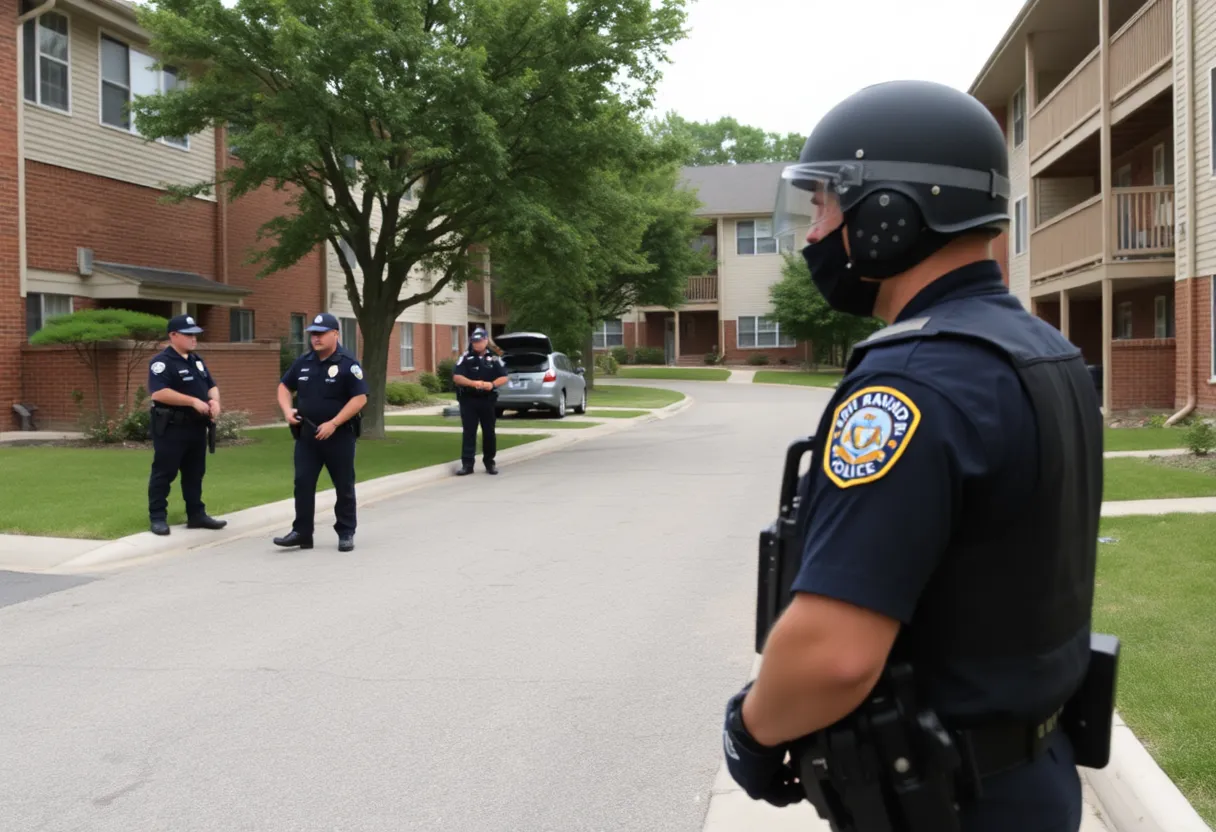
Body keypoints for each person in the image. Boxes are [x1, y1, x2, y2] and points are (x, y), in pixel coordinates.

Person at [722, 80, 1105, 832]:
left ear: (891, 213)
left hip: (948, 801)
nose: (811, 234)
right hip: (1033, 778)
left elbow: (835, 653)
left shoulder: (911, 381)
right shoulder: (1045, 352)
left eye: (826, 205)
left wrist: (750, 730)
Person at [272, 313, 368, 552]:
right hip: (307, 435)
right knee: (303, 483)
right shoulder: (304, 362)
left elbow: (359, 398)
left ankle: (346, 532)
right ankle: (302, 533)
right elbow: (284, 386)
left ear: (335, 334)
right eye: (313, 334)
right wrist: (287, 410)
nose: (315, 338)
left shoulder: (347, 363)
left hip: (339, 435)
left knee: (343, 485)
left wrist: (334, 423)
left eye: (321, 333)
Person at [146, 314, 228, 536]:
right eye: (188, 334)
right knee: (164, 472)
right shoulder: (162, 362)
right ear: (173, 335)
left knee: (195, 473)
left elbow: (211, 385)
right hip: (172, 426)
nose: (194, 339)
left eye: (195, 335)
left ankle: (196, 514)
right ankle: (157, 517)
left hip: (196, 427)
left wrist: (215, 401)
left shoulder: (196, 360)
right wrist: (192, 401)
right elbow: (159, 392)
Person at [452, 327, 508, 475]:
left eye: (480, 341)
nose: (477, 344)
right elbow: (457, 377)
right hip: (468, 399)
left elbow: (504, 377)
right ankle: (467, 464)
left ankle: (490, 463)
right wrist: (473, 383)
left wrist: (492, 384)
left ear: (486, 341)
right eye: (474, 341)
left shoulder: (494, 358)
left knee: (489, 432)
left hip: (487, 400)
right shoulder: (465, 357)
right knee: (469, 432)